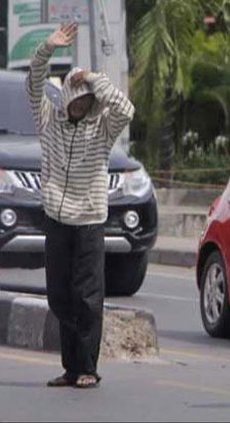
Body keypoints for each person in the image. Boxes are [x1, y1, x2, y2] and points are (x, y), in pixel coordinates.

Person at [26, 22, 135, 388]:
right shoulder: (48, 121)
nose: (83, 105)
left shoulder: (102, 128)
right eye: (79, 98)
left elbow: (126, 109)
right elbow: (34, 81)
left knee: (88, 296)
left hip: (89, 221)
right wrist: (48, 47)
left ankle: (88, 368)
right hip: (56, 218)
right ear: (67, 97)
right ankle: (70, 368)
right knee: (60, 295)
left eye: (89, 101)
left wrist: (95, 80)